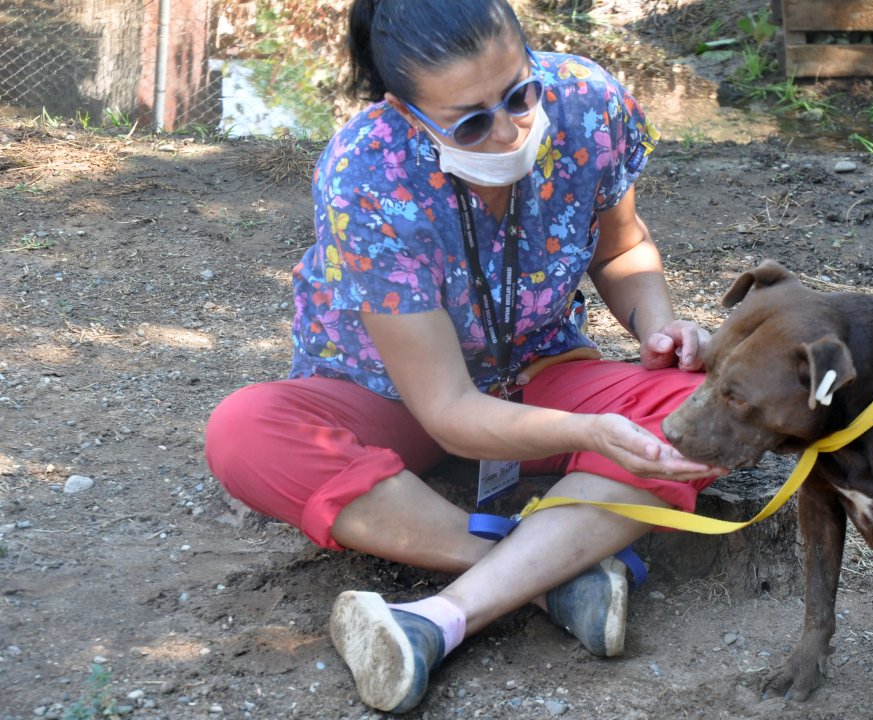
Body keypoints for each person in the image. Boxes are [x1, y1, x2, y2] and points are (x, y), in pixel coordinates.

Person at [203, 0, 726, 714]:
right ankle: (542, 574)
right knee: (246, 431)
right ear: (406, 111)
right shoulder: (368, 172)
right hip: (395, 398)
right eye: (471, 120)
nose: (511, 129)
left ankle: (444, 614)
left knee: (712, 405)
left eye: (519, 94)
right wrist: (586, 434)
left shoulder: (587, 101)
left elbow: (624, 248)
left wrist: (661, 328)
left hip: (545, 372)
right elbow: (448, 413)